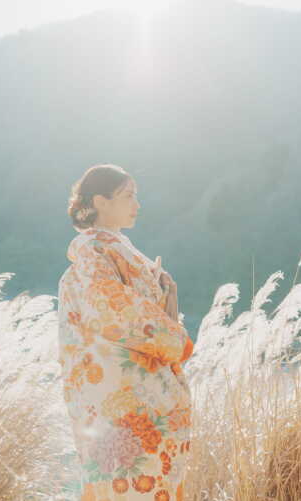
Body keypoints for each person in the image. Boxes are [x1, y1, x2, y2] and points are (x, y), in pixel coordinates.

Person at [58, 164, 194, 501]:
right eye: (128, 195)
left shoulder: (119, 246)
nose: (138, 203)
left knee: (150, 479)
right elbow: (112, 309)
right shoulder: (92, 248)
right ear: (100, 201)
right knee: (129, 482)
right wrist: (174, 339)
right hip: (119, 393)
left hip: (144, 387)